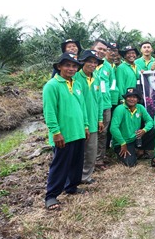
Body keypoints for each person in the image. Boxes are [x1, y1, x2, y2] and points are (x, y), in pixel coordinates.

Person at [43, 53, 89, 210]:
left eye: (74, 66)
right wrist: (55, 132)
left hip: (78, 131)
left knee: (76, 162)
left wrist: (86, 126)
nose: (71, 68)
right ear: (59, 67)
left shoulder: (77, 84)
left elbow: (82, 107)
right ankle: (51, 196)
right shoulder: (52, 85)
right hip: (63, 135)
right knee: (60, 165)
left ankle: (72, 187)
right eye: (67, 65)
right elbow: (49, 111)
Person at [75, 50, 104, 184]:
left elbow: (99, 100)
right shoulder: (75, 78)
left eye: (95, 62)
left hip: (93, 120)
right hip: (77, 121)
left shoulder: (96, 78)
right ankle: (74, 177)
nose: (92, 65)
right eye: (90, 62)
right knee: (77, 151)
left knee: (91, 150)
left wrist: (100, 119)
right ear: (82, 62)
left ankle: (85, 176)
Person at [109, 88, 154, 167]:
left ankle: (140, 151)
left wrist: (144, 130)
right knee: (130, 164)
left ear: (138, 99)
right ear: (125, 98)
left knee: (153, 130)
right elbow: (113, 128)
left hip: (136, 138)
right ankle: (131, 152)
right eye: (129, 97)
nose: (131, 99)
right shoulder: (120, 109)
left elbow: (150, 121)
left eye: (134, 97)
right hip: (123, 142)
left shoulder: (140, 107)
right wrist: (122, 143)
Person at [92, 40, 116, 171]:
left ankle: (99, 159)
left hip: (106, 104)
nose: (101, 51)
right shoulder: (87, 63)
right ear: (93, 48)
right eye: (99, 48)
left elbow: (112, 85)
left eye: (104, 49)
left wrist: (112, 102)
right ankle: (88, 159)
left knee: (103, 132)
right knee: (90, 131)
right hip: (90, 105)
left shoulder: (108, 66)